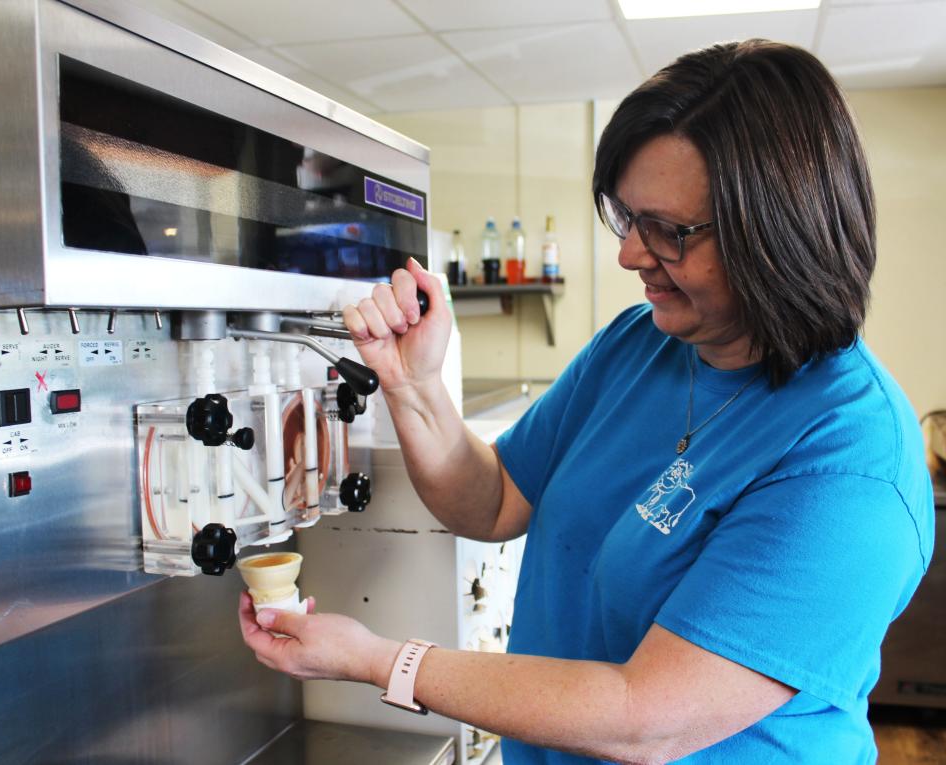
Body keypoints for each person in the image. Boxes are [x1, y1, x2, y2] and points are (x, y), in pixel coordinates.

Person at [239, 39, 934, 764]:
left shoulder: (849, 464)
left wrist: (383, 660)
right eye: (626, 217)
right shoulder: (642, 343)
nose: (631, 254)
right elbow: (496, 499)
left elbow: (647, 715)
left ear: (780, 233)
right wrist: (414, 387)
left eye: (669, 230)